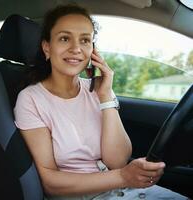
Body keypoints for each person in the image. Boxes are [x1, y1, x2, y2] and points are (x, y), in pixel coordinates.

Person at [14, 4, 188, 200]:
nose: (76, 49)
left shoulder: (99, 90)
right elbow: (50, 183)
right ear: (47, 47)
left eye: (85, 40)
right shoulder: (31, 99)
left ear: (93, 51)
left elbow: (118, 161)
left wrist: (105, 97)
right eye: (64, 38)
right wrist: (123, 177)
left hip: (124, 190)